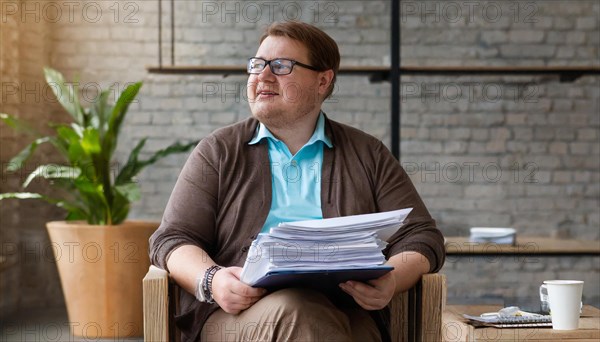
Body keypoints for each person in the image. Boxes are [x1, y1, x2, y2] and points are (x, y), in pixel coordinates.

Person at [149, 21, 445, 342]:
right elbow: (173, 238)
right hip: (239, 316)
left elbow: (421, 235)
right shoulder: (219, 150)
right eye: (257, 65)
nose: (262, 76)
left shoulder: (367, 152)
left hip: (346, 312)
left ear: (322, 80)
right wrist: (211, 279)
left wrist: (393, 279)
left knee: (314, 316)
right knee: (299, 313)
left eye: (280, 65)